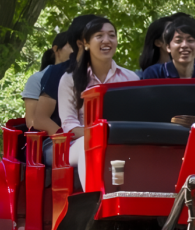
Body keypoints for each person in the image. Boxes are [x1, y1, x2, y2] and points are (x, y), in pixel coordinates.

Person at [59, 16, 139, 185]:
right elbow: (69, 125)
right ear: (86, 43)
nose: (106, 40)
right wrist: (99, 136)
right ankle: (95, 203)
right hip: (79, 144)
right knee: (88, 148)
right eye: (99, 36)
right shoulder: (69, 80)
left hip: (120, 142)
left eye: (111, 35)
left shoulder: (130, 78)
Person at [33, 15, 98, 135]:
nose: (105, 40)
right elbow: (40, 119)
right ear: (80, 42)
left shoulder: (114, 74)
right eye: (98, 35)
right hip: (60, 143)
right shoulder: (58, 72)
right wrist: (67, 139)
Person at [21, 33, 74, 129]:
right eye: (72, 46)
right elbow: (32, 121)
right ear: (56, 49)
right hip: (52, 139)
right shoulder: (37, 79)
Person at [138, 12, 195, 76]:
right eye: (178, 41)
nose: (184, 45)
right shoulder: (154, 73)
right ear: (168, 47)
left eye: (190, 40)